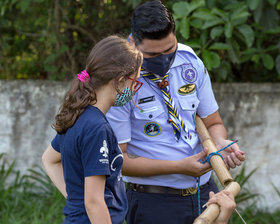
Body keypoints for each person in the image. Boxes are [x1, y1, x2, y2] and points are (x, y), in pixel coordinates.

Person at [106, 1, 246, 223]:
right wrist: (179, 168)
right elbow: (118, 158)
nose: (164, 59)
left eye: (169, 50)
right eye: (152, 55)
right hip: (153, 202)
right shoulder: (118, 80)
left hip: (206, 193)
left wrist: (221, 143)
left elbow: (213, 123)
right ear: (132, 42)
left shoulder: (190, 61)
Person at [41, 35, 143, 224]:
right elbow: (94, 202)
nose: (135, 90)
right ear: (120, 81)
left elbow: (49, 159)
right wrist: (84, 203)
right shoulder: (97, 128)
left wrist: (76, 199)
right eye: (134, 82)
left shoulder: (77, 114)